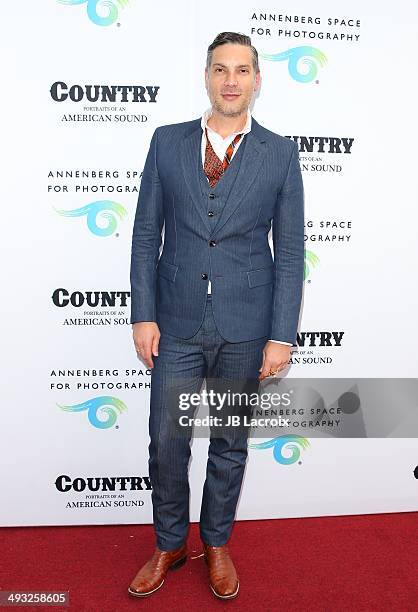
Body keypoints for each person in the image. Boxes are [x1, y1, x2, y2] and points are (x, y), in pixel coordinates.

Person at [128, 31, 304, 600]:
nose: (231, 80)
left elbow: (292, 250)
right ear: (206, 77)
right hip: (175, 321)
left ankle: (218, 542)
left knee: (230, 441)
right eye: (221, 69)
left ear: (257, 80)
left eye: (243, 70)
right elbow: (145, 235)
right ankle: (169, 542)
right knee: (167, 439)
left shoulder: (279, 153)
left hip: (246, 325)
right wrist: (142, 313)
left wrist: (281, 334)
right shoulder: (166, 142)